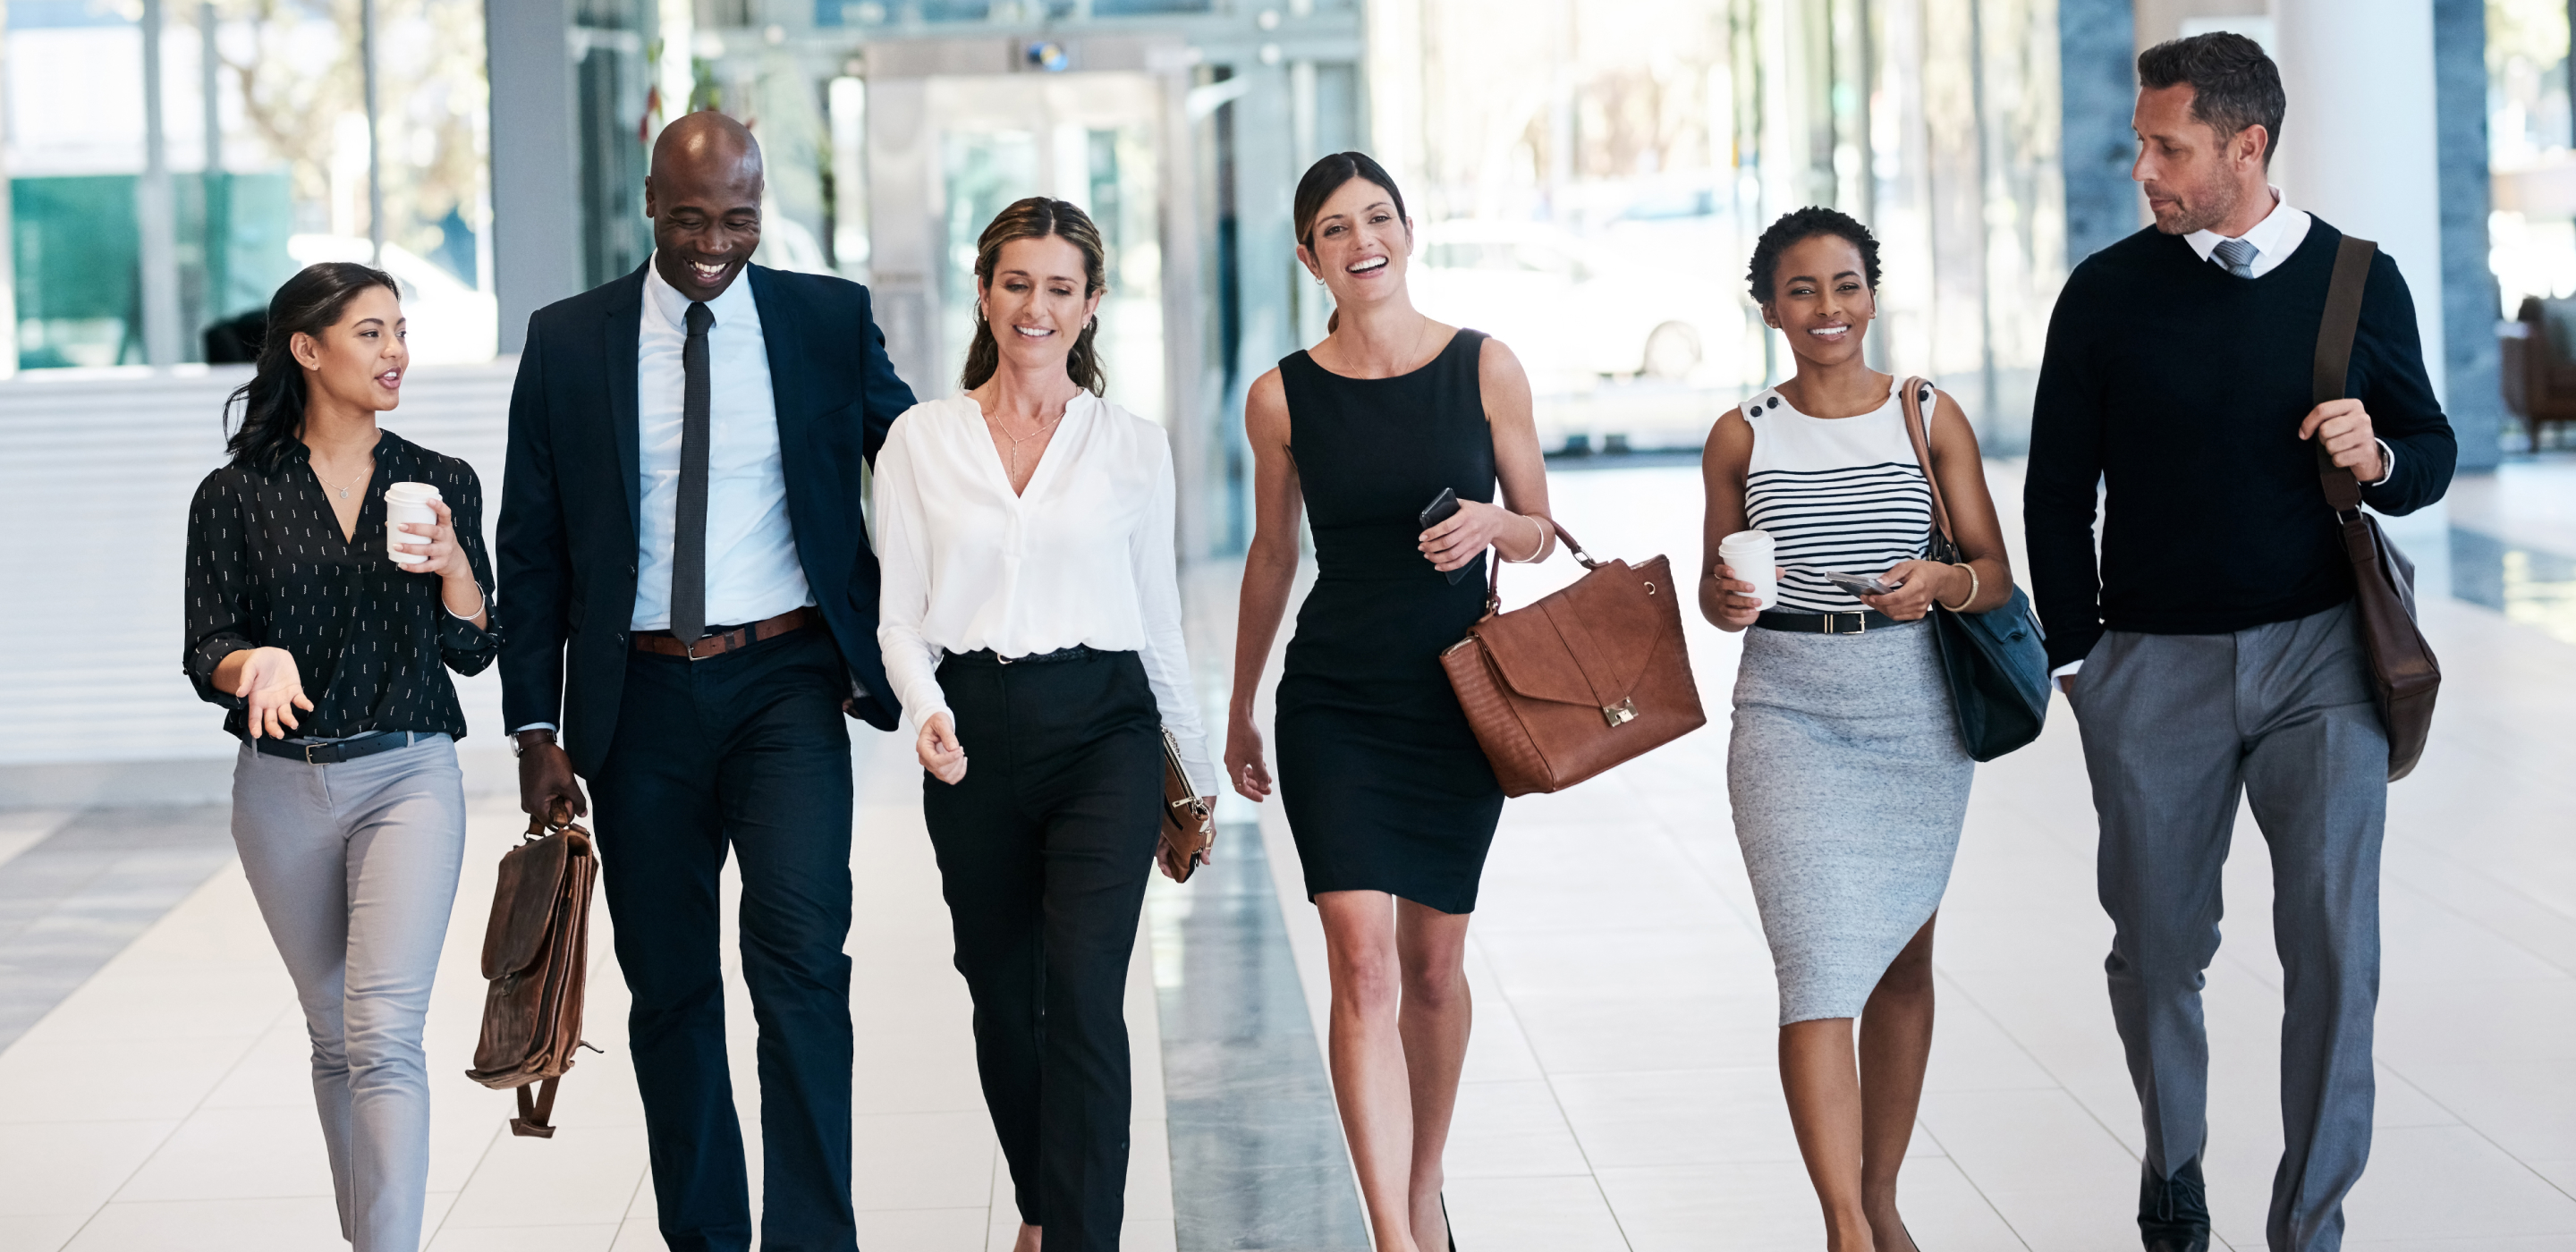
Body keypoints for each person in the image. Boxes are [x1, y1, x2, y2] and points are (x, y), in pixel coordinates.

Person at [2024, 34, 2455, 1252]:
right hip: (2152, 666)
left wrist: (2379, 458)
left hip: (2324, 656)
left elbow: (2429, 453)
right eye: (2143, 143)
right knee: (2158, 947)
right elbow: (2059, 493)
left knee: (2334, 945)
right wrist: (2081, 660)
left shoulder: (2359, 281)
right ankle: (2177, 1163)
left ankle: (2310, 1218)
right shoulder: (2107, 292)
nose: (2145, 169)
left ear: (2247, 147)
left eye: (2170, 147)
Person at [496, 111, 918, 1252]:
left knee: (798, 960)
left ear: (761, 207)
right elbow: (531, 547)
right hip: (636, 702)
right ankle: (707, 1236)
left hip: (784, 679)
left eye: (737, 218)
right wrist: (538, 725)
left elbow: (924, 463)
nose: (712, 244)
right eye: (689, 219)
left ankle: (815, 1237)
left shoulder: (825, 321)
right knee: (671, 988)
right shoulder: (570, 340)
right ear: (647, 203)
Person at [876, 197, 1220, 1252]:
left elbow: (1159, 619)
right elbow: (898, 616)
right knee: (1000, 989)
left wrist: (1195, 774)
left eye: (1060, 287)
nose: (1036, 306)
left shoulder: (1132, 446)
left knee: (1081, 996)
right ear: (984, 291)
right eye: (1017, 282)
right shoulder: (920, 439)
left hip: (1103, 731)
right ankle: (1039, 1201)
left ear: (1092, 305)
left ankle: (1080, 1237)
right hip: (970, 731)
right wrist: (926, 712)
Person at [1225, 151, 1554, 1252]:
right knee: (1361, 960)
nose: (1360, 239)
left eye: (1376, 217)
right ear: (1308, 257)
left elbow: (1539, 526)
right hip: (1336, 703)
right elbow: (1273, 555)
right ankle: (1393, 1234)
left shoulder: (1484, 366)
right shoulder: (1280, 393)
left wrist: (1491, 522)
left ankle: (1424, 1180)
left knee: (1433, 967)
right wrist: (1241, 703)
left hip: (1461, 696)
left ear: (1407, 231)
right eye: (1333, 226)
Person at [1699, 208, 2012, 1252]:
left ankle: (1881, 1193)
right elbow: (1715, 582)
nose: (1826, 309)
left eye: (1844, 285)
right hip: (1788, 701)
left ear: (1872, 293)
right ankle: (1845, 1226)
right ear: (1770, 306)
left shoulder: (1926, 413)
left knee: (1904, 962)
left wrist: (1941, 579)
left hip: (1912, 704)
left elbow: (1993, 574)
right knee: (1819, 962)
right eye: (1801, 290)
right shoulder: (1744, 430)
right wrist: (1727, 602)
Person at [182, 262, 495, 1252]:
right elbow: (205, 647)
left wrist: (455, 570)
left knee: (382, 1033)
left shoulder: (441, 480)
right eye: (370, 333)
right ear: (307, 350)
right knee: (333, 1036)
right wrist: (254, 661)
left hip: (409, 773)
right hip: (280, 789)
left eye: (400, 330)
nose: (396, 351)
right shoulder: (235, 492)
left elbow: (475, 649)